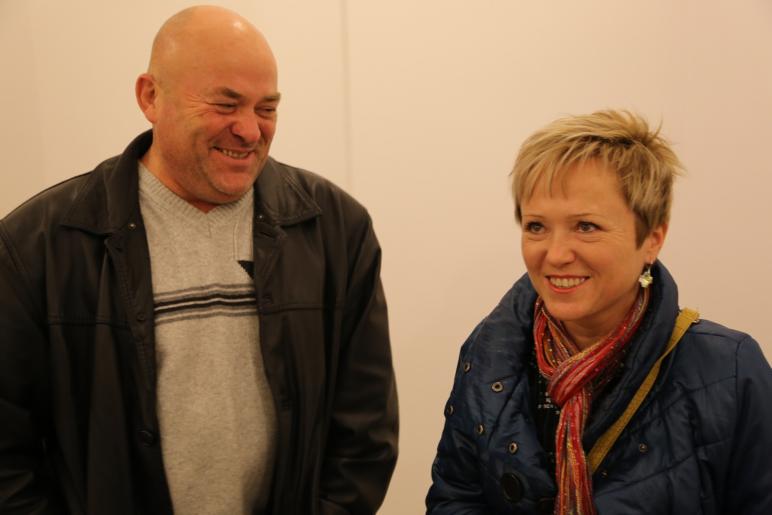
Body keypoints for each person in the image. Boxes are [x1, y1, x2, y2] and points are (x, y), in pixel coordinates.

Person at [0, 5, 397, 514]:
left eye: (266, 108)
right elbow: (7, 455)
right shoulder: (37, 246)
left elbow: (364, 433)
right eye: (225, 104)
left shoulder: (337, 230)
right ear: (150, 97)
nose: (249, 130)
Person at [426, 110, 772, 514]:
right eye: (536, 226)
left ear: (653, 238)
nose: (556, 254)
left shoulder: (729, 370)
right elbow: (455, 498)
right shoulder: (488, 352)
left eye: (586, 226)